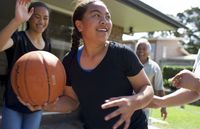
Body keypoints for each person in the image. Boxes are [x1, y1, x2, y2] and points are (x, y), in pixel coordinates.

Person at [43, 1, 153, 129]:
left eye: (107, 17)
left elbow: (147, 88)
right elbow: (71, 100)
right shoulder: (70, 61)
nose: (104, 20)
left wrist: (134, 102)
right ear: (79, 25)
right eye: (96, 15)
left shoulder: (123, 55)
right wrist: (48, 105)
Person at [0, 0, 51, 129]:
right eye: (37, 17)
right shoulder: (19, 38)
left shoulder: (47, 43)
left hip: (35, 105)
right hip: (13, 103)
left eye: (45, 18)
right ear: (29, 18)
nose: (41, 21)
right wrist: (17, 21)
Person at [135, 38, 167, 120]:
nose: (141, 51)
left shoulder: (154, 67)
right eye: (139, 48)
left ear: (149, 51)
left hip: (145, 107)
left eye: (144, 48)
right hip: (127, 102)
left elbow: (159, 88)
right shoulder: (129, 63)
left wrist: (163, 107)